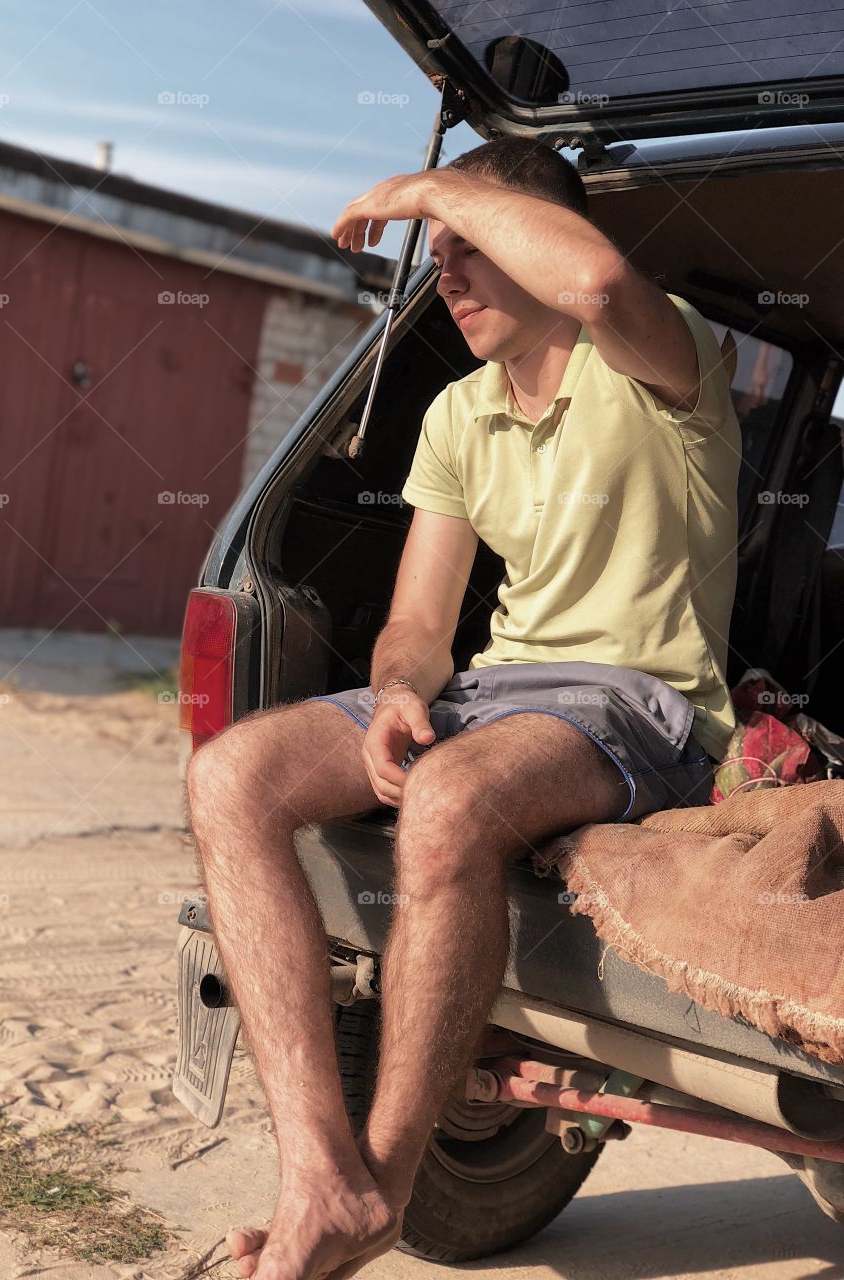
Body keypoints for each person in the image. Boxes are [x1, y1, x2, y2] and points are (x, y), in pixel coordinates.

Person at [185, 136, 742, 1280]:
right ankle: (318, 1175)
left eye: (472, 246)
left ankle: (379, 1187)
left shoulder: (664, 359)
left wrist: (434, 185)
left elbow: (593, 282)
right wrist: (395, 694)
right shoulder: (455, 415)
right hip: (499, 691)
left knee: (444, 802)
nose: (449, 271)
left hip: (643, 701)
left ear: (536, 241)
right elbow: (422, 629)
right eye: (438, 253)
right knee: (227, 776)